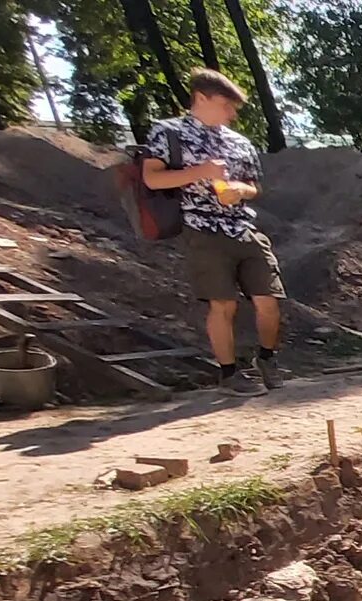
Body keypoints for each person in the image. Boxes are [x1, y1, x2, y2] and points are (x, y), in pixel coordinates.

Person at [142, 68, 284, 396]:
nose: (232, 113)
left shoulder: (239, 142)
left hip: (243, 228)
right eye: (226, 105)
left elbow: (255, 186)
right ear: (201, 98)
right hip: (201, 230)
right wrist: (200, 172)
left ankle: (266, 358)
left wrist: (240, 190)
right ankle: (229, 374)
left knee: (269, 300)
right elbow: (152, 179)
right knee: (223, 305)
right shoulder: (168, 133)